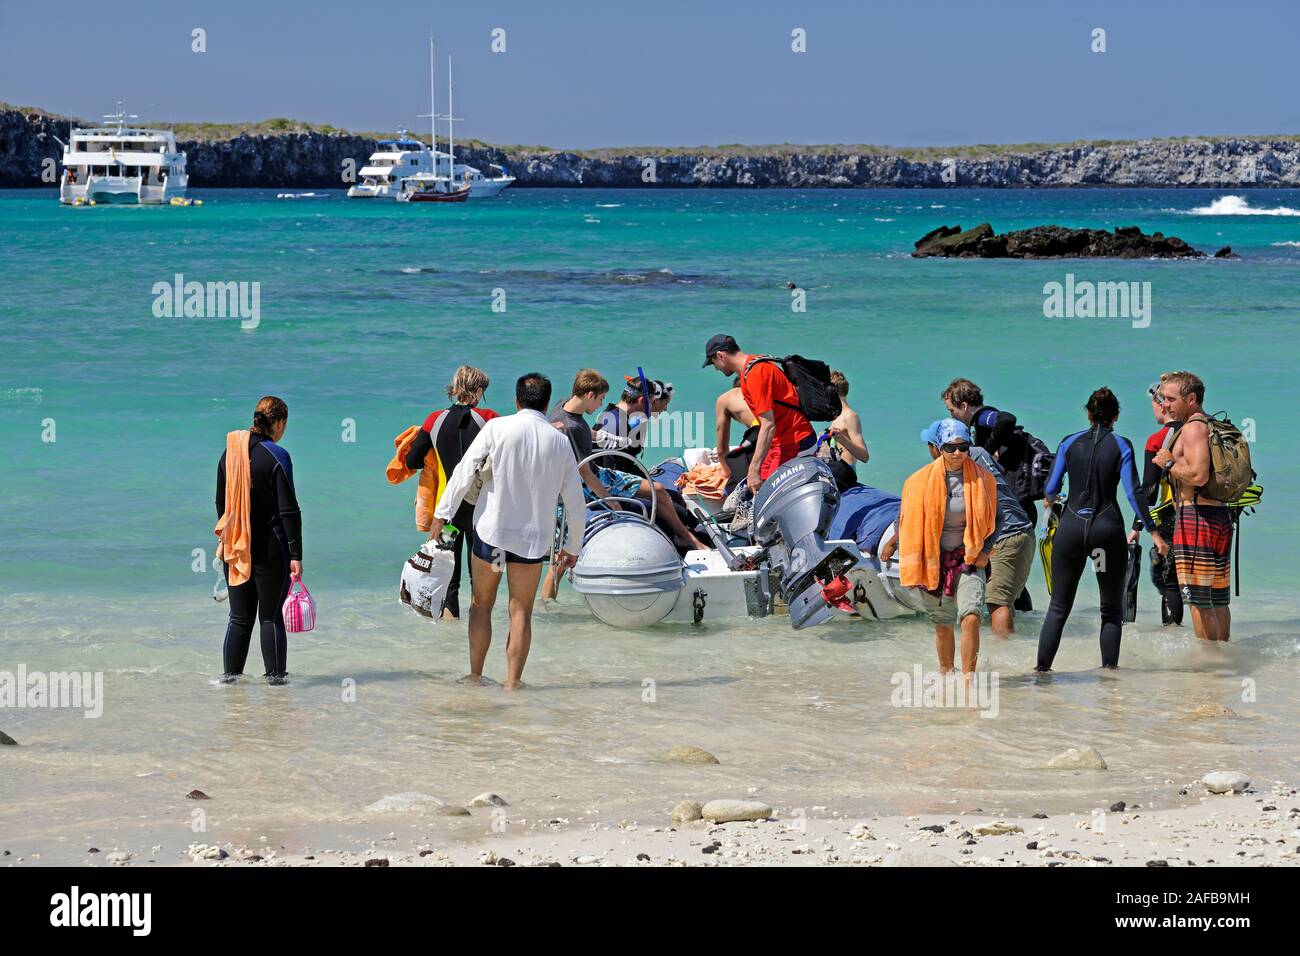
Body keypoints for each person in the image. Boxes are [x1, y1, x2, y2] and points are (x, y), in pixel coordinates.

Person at [429, 373, 585, 689]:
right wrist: (573, 546)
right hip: (531, 542)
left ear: (516, 401)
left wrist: (440, 517)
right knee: (521, 613)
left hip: (492, 535)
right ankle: (513, 684)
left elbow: (463, 473)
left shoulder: (497, 428)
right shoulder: (559, 442)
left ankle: (475, 675)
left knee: (481, 605)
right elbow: (575, 500)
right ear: (546, 403)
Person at [1035, 388, 1168, 672]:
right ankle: (1109, 678)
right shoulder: (1122, 445)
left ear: (1088, 414)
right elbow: (1134, 493)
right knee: (1110, 610)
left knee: (1058, 608)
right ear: (1116, 416)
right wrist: (1154, 531)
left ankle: (1041, 673)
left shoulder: (1069, 443)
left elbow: (1050, 488)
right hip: (1105, 535)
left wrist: (1051, 498)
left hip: (1070, 530)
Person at [886, 419, 997, 676]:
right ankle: (947, 675)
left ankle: (968, 679)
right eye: (950, 447)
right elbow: (902, 518)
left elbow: (997, 520)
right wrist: (897, 546)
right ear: (939, 448)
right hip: (933, 560)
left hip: (968, 558)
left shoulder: (983, 479)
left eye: (963, 446)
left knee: (971, 616)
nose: (957, 453)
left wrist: (985, 551)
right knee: (943, 625)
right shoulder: (917, 482)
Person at [214, 396, 302, 685]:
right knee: (270, 617)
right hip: (270, 548)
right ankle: (276, 683)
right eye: (284, 425)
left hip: (236, 546)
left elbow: (221, 505)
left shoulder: (229, 455)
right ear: (278, 423)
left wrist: (232, 539)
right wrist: (295, 554)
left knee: (239, 618)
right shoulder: (278, 455)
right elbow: (289, 510)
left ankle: (230, 682)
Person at [920, 420, 1034, 636]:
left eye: (930, 445)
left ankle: (1005, 663)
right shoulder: (979, 453)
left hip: (1006, 535)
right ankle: (1009, 651)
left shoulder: (960, 465)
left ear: (938, 446)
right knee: (1002, 599)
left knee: (996, 602)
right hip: (1018, 530)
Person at [406, 365, 498, 619]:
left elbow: (412, 461)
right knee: (479, 579)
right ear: (478, 390)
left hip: (448, 513)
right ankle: (475, 636)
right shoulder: (489, 418)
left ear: (456, 389)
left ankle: (449, 644)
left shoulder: (433, 420)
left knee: (450, 582)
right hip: (481, 511)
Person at [1152, 372, 1232, 642]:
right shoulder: (1209, 425)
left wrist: (1168, 463)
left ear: (1192, 399)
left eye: (1171, 399)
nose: (1165, 405)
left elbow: (1198, 475)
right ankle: (1221, 660)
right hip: (1218, 516)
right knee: (1218, 598)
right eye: (1163, 399)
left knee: (1198, 600)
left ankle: (1208, 669)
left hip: (1196, 518)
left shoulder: (1193, 428)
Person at [703, 334, 815, 492]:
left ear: (721, 356)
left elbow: (768, 425)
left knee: (765, 492)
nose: (715, 368)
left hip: (796, 440)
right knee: (752, 490)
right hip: (778, 442)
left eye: (713, 362)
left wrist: (753, 469)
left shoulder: (755, 373)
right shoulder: (752, 366)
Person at [1131, 378, 1182, 625]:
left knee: (1168, 580)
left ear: (1161, 405)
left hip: (1172, 517)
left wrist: (1137, 527)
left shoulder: (1157, 439)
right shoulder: (1198, 429)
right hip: (1206, 515)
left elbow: (1148, 492)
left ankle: (1172, 638)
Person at [714, 377, 757, 481]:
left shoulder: (726, 398)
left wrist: (726, 473)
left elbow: (721, 450)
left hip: (759, 430)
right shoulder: (759, 392)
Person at [825, 371, 869, 466]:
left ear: (832, 392)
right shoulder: (837, 416)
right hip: (836, 470)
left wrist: (843, 440)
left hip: (846, 472)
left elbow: (864, 456)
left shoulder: (850, 416)